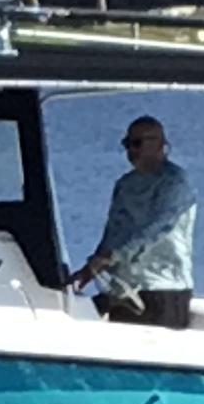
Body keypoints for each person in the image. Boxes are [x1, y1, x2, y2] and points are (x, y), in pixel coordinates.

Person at [69, 114, 197, 328]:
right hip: (123, 289)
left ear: (160, 144)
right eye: (127, 144)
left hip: (163, 288)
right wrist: (89, 271)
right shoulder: (125, 184)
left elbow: (157, 228)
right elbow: (113, 231)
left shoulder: (175, 182)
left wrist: (113, 255)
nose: (131, 151)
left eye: (137, 144)